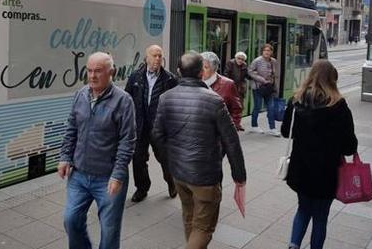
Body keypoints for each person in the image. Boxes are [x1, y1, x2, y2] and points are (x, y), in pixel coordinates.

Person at [153, 52, 246, 249]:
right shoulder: (214, 100)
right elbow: (231, 141)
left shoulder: (165, 98)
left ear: (179, 72)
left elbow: (157, 136)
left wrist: (170, 161)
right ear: (201, 73)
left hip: (179, 174)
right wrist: (240, 176)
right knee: (203, 228)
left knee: (189, 218)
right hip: (205, 177)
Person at [59, 52, 136, 249]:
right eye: (89, 70)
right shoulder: (81, 94)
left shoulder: (123, 101)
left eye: (98, 71)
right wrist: (65, 156)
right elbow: (71, 128)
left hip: (108, 178)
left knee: (109, 231)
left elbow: (127, 141)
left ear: (112, 72)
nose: (92, 76)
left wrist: (118, 175)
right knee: (71, 220)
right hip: (79, 174)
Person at [281, 60, 358, 249]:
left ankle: (293, 246)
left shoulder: (296, 100)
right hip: (327, 171)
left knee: (303, 209)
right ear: (333, 79)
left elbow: (285, 132)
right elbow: (349, 146)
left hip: (301, 168)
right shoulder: (339, 106)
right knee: (321, 217)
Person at [125, 45, 179, 203]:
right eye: (154, 55)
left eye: (160, 56)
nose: (157, 59)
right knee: (138, 158)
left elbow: (175, 104)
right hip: (140, 125)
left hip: (160, 127)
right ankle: (142, 188)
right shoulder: (135, 77)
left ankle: (171, 182)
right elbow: (127, 100)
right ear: (146, 58)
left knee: (165, 158)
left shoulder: (170, 79)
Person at [201, 51, 243, 131]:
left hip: (219, 134)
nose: (201, 70)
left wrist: (231, 129)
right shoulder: (194, 82)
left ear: (214, 69)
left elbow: (236, 109)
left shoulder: (228, 84)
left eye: (205, 67)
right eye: (200, 67)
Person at [248, 44, 281, 136]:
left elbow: (276, 75)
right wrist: (262, 80)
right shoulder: (257, 61)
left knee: (271, 107)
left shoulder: (274, 61)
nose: (267, 52)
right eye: (265, 50)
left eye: (269, 50)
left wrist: (274, 87)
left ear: (271, 52)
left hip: (269, 88)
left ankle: (272, 128)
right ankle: (254, 126)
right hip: (258, 88)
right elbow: (250, 71)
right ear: (262, 52)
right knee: (257, 107)